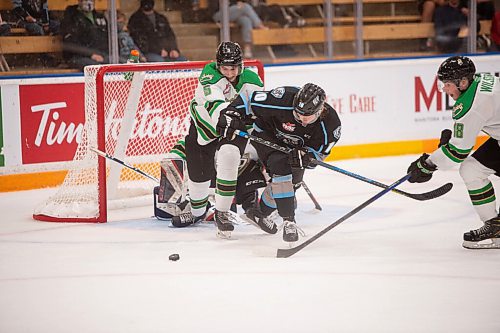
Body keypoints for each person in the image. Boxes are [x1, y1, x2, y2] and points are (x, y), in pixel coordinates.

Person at [217, 83, 342, 243]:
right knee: (281, 166)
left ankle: (259, 213)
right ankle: (289, 221)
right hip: (267, 136)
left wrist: (307, 156)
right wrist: (230, 113)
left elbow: (317, 157)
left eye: (307, 117)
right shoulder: (283, 97)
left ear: (320, 111)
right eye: (298, 114)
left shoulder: (331, 126)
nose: (302, 119)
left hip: (296, 150)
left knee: (293, 181)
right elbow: (248, 98)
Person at [171, 41, 264, 238]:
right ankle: (197, 211)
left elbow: (259, 106)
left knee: (232, 156)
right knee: (199, 175)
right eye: (225, 68)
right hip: (205, 127)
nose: (229, 73)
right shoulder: (209, 74)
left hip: (233, 129)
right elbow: (214, 103)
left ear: (241, 65)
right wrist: (227, 116)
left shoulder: (251, 79)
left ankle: (226, 212)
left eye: (233, 68)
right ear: (217, 65)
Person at [407, 56, 500, 249]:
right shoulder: (480, 81)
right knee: (472, 169)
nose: (444, 89)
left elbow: (458, 152)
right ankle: (495, 226)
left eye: (447, 84)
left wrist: (427, 165)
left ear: (463, 82)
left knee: (470, 168)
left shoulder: (473, 106)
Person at [60, 0, 109, 71]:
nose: (89, 2)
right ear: (79, 1)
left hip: (100, 55)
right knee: (97, 68)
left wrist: (103, 54)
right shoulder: (71, 18)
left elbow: (107, 37)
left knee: (119, 63)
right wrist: (91, 54)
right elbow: (71, 42)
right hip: (77, 56)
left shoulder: (100, 17)